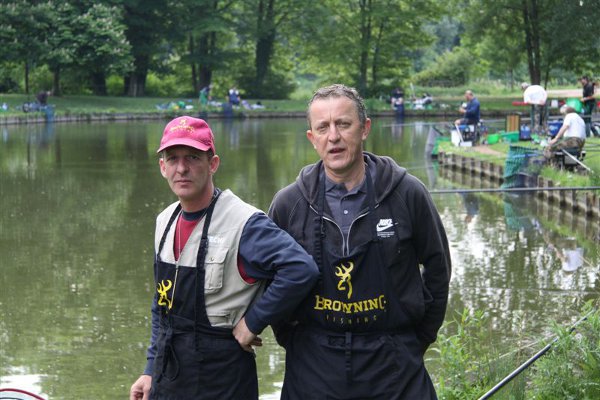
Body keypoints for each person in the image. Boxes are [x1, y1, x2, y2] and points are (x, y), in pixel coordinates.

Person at [268, 84, 451, 399]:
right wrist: (297, 339)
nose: (334, 137)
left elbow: (438, 268)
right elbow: (270, 280)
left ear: (365, 128)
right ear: (312, 138)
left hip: (394, 364)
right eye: (323, 128)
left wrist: (417, 338)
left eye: (343, 124)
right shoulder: (289, 204)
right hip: (313, 364)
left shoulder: (407, 193)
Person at [129, 116, 319, 399]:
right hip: (169, 378)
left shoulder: (244, 222)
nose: (182, 168)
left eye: (193, 157)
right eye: (173, 158)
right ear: (162, 167)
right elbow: (161, 306)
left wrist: (253, 322)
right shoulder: (164, 221)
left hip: (223, 381)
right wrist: (149, 371)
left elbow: (301, 270)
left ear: (213, 163)